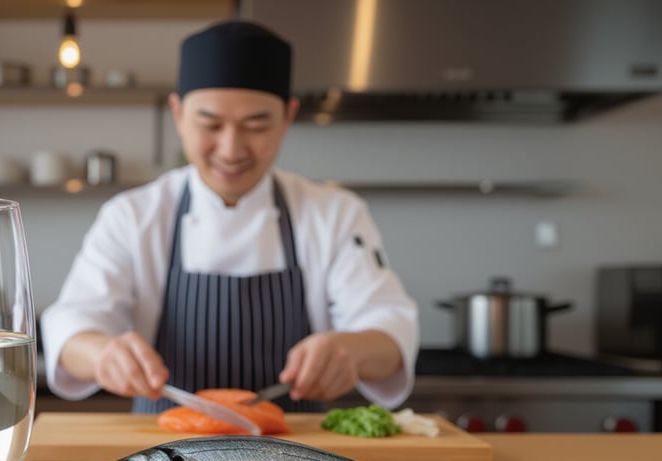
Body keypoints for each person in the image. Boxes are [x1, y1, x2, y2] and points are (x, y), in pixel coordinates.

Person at [40, 19, 418, 413]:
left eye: (256, 125)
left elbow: (391, 331)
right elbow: (72, 326)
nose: (231, 149)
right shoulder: (133, 215)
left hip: (298, 455)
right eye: (211, 124)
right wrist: (103, 354)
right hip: (169, 460)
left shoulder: (334, 214)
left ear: (288, 117)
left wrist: (349, 352)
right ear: (178, 115)